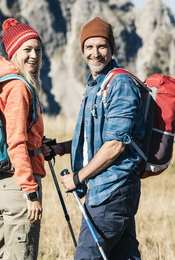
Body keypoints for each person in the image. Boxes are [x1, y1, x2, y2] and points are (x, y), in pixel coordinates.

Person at [55, 17, 146, 259]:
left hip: (111, 190)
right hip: (108, 189)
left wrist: (78, 177)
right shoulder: (97, 85)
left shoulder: (120, 84)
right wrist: (61, 148)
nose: (95, 53)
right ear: (83, 50)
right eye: (89, 47)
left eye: (102, 46)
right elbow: (93, 139)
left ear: (112, 48)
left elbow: (116, 143)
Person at [0, 18, 51, 260]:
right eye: (27, 49)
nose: (34, 55)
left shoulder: (0, 82)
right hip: (18, 186)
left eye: (38, 50)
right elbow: (16, 141)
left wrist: (39, 145)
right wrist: (30, 192)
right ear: (14, 52)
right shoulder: (18, 88)